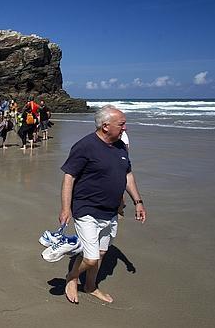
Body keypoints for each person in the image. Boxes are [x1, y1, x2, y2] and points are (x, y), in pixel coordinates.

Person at [59, 105, 146, 304]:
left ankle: (90, 286)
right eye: (121, 124)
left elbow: (127, 175)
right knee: (90, 258)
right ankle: (71, 278)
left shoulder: (121, 146)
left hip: (111, 210)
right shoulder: (85, 146)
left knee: (101, 252)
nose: (125, 128)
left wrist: (138, 202)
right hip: (87, 209)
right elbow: (69, 177)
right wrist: (65, 208)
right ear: (106, 126)